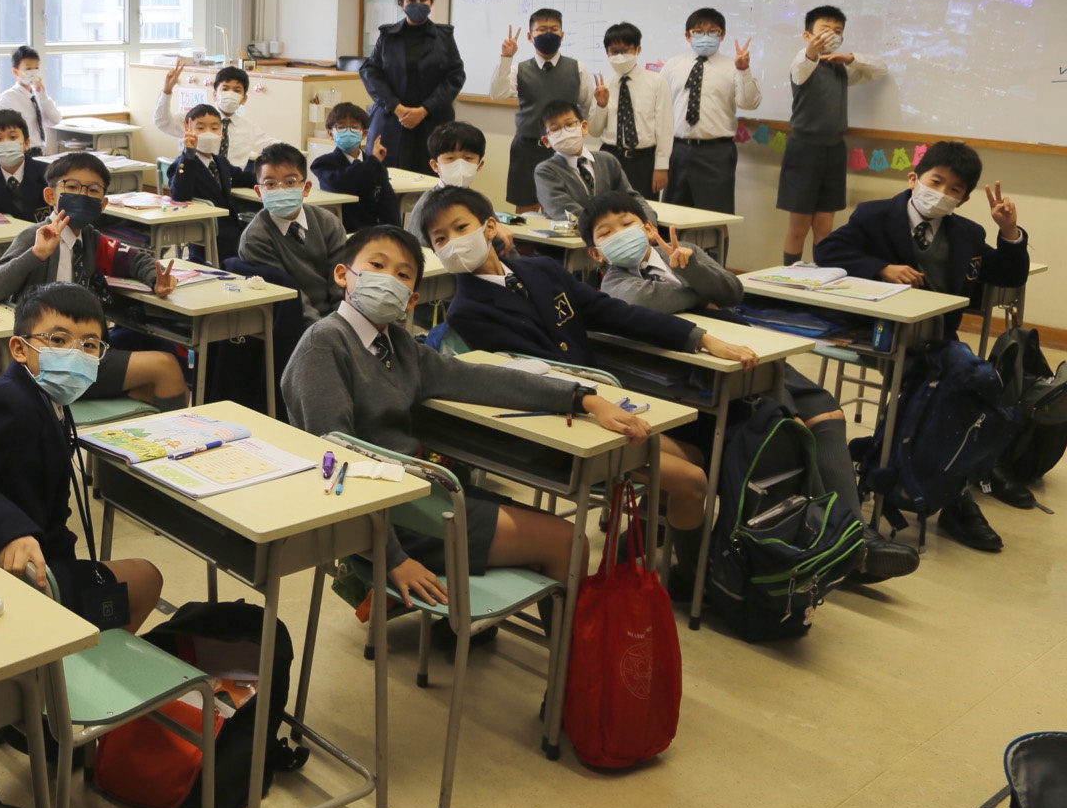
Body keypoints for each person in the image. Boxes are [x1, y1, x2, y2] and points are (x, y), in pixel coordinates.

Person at [284, 224, 642, 607]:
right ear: (343, 274)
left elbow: (479, 380)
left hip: (421, 493)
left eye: (402, 274)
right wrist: (392, 558)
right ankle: (560, 648)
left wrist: (581, 398)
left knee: (559, 538)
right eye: (377, 265)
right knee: (569, 543)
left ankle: (509, 637)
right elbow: (336, 464)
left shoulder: (399, 344)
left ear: (412, 298)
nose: (388, 279)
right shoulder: (324, 345)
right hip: (385, 516)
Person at [427, 185, 760, 595]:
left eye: (461, 228)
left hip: (599, 403)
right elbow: (532, 374)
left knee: (695, 456)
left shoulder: (541, 270)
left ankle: (633, 553)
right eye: (440, 238)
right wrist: (590, 400)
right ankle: (697, 585)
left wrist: (699, 337)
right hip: (557, 422)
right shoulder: (467, 310)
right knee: (691, 480)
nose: (453, 243)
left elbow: (612, 312)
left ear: (490, 226)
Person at [581, 190, 919, 584]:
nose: (621, 234)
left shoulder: (685, 251)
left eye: (627, 224)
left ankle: (851, 533)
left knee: (826, 411)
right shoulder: (614, 282)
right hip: (697, 374)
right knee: (788, 423)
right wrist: (701, 287)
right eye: (607, 233)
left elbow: (732, 291)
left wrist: (693, 271)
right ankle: (835, 542)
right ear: (596, 253)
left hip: (746, 351)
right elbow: (649, 304)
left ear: (648, 227)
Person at [0, 282, 164, 632]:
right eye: (58, 340)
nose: (75, 354)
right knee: (146, 578)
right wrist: (8, 528)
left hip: (34, 559)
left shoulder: (49, 401)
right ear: (19, 349)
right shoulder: (1, 399)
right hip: (9, 572)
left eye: (89, 345)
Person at [815, 140, 1028, 549]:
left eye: (954, 189)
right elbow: (827, 250)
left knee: (967, 381)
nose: (942, 193)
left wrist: (1009, 232)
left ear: (964, 200)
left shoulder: (967, 233)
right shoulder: (875, 215)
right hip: (880, 332)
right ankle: (956, 492)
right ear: (914, 179)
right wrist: (881, 268)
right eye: (936, 181)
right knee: (965, 381)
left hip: (937, 339)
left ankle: (905, 474)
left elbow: (1007, 274)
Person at [0, 152, 186, 409]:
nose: (82, 195)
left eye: (93, 190)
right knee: (166, 367)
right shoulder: (35, 236)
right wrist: (35, 255)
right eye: (72, 187)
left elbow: (134, 259)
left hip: (82, 351)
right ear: (50, 195)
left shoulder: (90, 239)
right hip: (48, 354)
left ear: (103, 204)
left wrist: (156, 278)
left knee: (151, 386)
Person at [779, 5, 888, 264]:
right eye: (825, 29)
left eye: (838, 31)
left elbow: (880, 69)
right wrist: (812, 50)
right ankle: (787, 277)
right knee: (799, 226)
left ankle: (822, 278)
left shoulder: (841, 67)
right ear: (808, 35)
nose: (831, 34)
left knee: (825, 227)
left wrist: (849, 58)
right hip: (804, 150)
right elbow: (803, 63)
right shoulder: (802, 64)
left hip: (835, 149)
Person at [490, 8, 592, 212]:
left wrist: (576, 137)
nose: (548, 34)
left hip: (565, 150)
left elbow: (588, 105)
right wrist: (506, 58)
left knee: (563, 210)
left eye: (554, 29)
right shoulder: (518, 69)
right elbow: (497, 94)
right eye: (542, 29)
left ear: (562, 35)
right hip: (527, 149)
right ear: (530, 36)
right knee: (525, 210)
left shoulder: (577, 68)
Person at [360, 0, 465, 174]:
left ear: (431, 2)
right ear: (401, 3)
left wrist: (424, 110)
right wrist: (397, 108)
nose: (418, 4)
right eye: (411, 0)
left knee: (431, 178)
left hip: (433, 120)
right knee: (386, 178)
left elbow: (455, 76)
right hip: (392, 118)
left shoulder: (444, 37)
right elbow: (371, 72)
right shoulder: (387, 36)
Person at [239, 142, 346, 331]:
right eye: (270, 184)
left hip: (339, 321)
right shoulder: (255, 239)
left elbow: (343, 284)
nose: (280, 190)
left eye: (290, 182)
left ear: (306, 188)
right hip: (295, 326)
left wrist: (346, 327)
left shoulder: (328, 222)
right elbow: (291, 299)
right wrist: (324, 333)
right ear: (258, 192)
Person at [663, 8, 760, 214]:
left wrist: (743, 70)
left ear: (722, 35)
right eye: (698, 32)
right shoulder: (673, 65)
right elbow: (660, 106)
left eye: (713, 32)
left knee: (716, 215)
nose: (705, 37)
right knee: (673, 214)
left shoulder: (734, 66)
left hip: (716, 152)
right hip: (677, 149)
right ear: (688, 36)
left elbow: (749, 103)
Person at [586, 22, 671, 200]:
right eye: (614, 51)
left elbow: (665, 128)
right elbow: (594, 130)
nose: (620, 56)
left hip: (643, 160)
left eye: (626, 50)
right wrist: (601, 105)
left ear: (638, 49)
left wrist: (661, 166)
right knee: (608, 208)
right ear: (607, 53)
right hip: (609, 157)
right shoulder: (605, 85)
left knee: (643, 209)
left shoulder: (656, 82)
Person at [533, 98, 649, 227]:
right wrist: (608, 229)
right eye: (555, 129)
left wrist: (648, 224)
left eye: (570, 124)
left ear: (584, 127)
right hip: (576, 237)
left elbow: (632, 198)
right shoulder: (546, 171)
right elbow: (565, 211)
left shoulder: (607, 161)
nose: (564, 132)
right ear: (546, 141)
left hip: (614, 233)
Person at [166, 103, 252, 261]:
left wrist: (270, 179)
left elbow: (241, 177)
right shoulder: (183, 164)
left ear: (222, 134)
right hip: (206, 235)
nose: (208, 133)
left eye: (214, 128)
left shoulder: (220, 161)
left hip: (231, 229)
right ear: (188, 131)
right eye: (200, 128)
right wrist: (189, 153)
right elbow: (179, 195)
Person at [154, 61, 268, 167]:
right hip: (197, 177)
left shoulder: (249, 127)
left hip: (233, 179)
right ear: (215, 95)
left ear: (244, 99)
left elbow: (272, 146)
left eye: (237, 90)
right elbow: (162, 122)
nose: (230, 94)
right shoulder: (196, 117)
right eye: (225, 89)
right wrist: (167, 90)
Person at [312, 101, 398, 230]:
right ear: (330, 134)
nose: (348, 131)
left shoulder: (375, 165)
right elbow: (343, 181)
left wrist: (394, 234)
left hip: (373, 232)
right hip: (340, 232)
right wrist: (373, 161)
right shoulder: (323, 163)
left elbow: (389, 205)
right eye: (341, 127)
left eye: (354, 127)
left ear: (364, 134)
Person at [404, 121, 487, 239]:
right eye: (450, 158)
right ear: (435, 165)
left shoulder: (481, 201)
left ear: (479, 165)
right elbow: (417, 245)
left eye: (468, 158)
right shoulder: (426, 205)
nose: (460, 165)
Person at [0, 45, 63, 154]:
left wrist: (42, 94)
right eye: (28, 69)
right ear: (16, 72)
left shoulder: (38, 96)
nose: (33, 72)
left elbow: (55, 119)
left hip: (41, 151)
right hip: (21, 152)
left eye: (36, 68)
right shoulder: (9, 97)